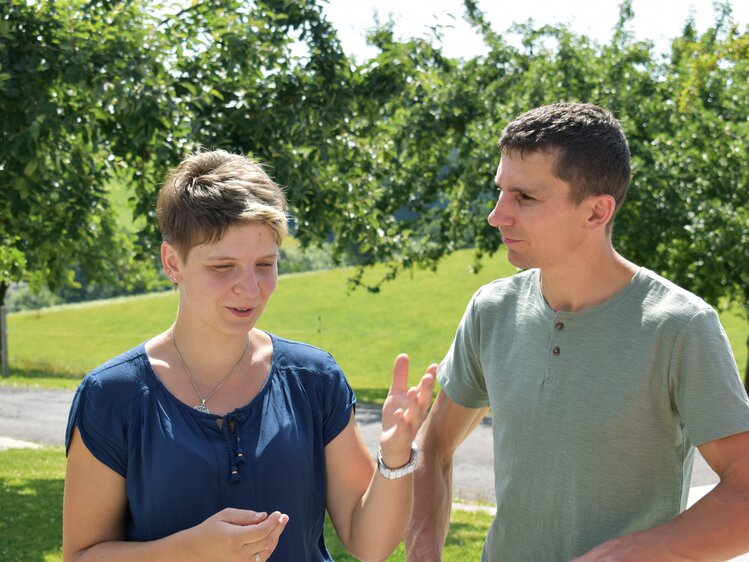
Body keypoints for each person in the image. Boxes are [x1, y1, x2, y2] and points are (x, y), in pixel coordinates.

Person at [405, 102, 749, 561]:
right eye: (501, 191)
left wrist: (624, 555)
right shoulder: (492, 309)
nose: (496, 215)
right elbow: (434, 443)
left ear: (595, 212)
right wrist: (422, 549)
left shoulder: (680, 327)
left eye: (525, 198)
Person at [63, 149, 436, 562]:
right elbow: (81, 556)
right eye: (223, 267)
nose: (251, 288)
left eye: (265, 264)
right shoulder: (112, 396)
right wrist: (191, 551)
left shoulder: (314, 378)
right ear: (173, 263)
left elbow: (371, 544)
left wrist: (395, 456)